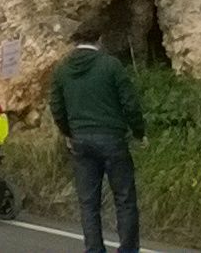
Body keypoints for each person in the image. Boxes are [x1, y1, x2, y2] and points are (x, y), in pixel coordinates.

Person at [49, 22, 145, 253]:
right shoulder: (111, 65)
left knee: (88, 202)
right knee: (124, 198)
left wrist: (68, 132)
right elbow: (129, 103)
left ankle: (94, 249)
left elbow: (56, 107)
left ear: (75, 42)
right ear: (99, 39)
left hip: (81, 140)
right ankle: (128, 249)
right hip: (112, 138)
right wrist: (139, 131)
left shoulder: (61, 70)